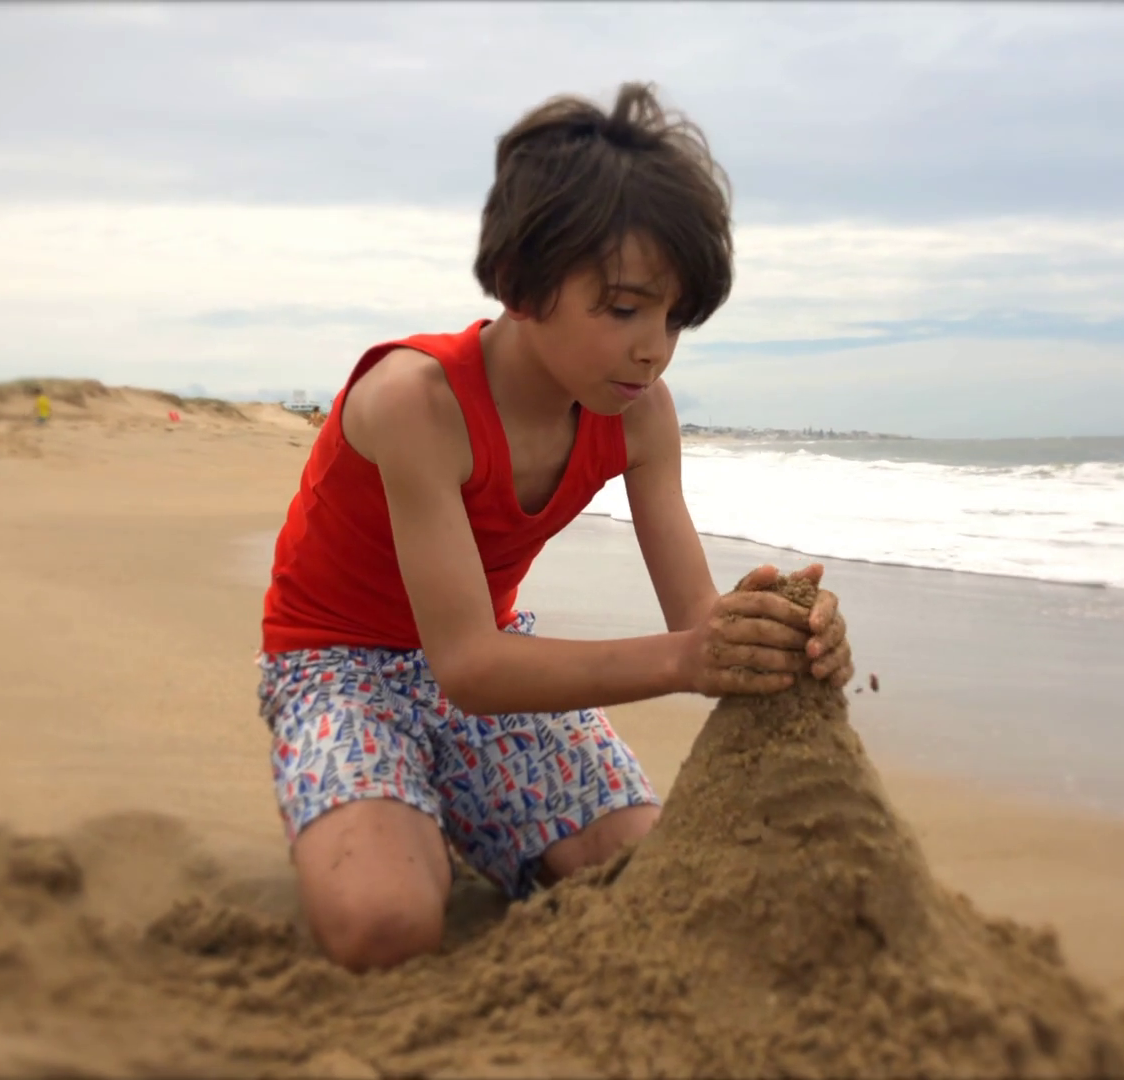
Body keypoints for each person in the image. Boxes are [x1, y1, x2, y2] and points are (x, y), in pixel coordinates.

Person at [258, 82, 855, 973]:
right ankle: (396, 815)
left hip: (496, 666)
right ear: (520, 282)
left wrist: (780, 635)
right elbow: (469, 667)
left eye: (674, 317)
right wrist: (687, 661)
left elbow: (699, 621)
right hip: (338, 664)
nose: (653, 347)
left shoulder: (641, 413)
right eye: (623, 309)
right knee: (386, 924)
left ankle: (438, 810)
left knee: (646, 879)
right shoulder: (414, 402)